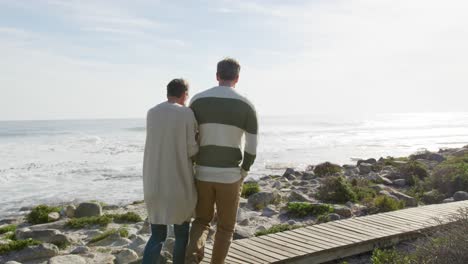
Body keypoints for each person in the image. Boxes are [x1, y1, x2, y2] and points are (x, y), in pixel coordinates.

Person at [185, 58, 258, 264]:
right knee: (225, 227)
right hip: (230, 176)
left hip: (203, 173)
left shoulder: (197, 101)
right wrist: (244, 170)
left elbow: (191, 138)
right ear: (237, 77)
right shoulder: (247, 106)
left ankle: (191, 259)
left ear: (217, 76)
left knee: (201, 221)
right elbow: (252, 146)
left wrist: (193, 164)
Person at [142, 78, 199, 264]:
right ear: (184, 94)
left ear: (167, 93)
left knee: (157, 235)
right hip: (178, 184)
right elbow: (192, 150)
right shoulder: (186, 113)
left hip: (154, 184)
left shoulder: (152, 112)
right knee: (182, 234)